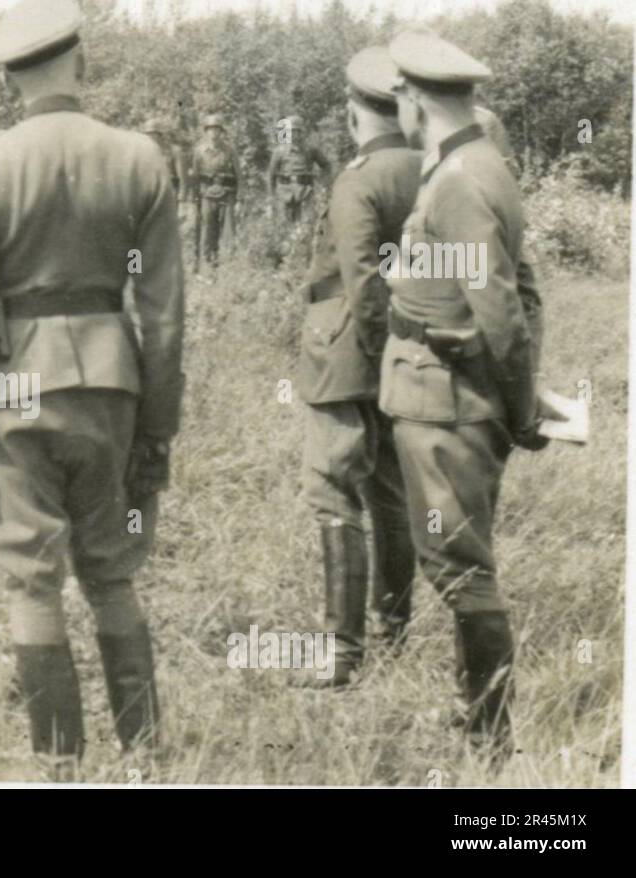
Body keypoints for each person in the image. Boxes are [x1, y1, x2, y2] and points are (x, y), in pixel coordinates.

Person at [0, 0, 184, 780]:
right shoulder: (140, 156)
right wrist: (157, 430)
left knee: (31, 577)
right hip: (112, 386)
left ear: (12, 80)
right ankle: (145, 762)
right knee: (111, 572)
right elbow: (166, 317)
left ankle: (60, 769)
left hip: (16, 392)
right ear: (79, 62)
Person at [383, 29, 549, 759]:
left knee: (459, 567)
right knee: (456, 558)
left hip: (449, 403)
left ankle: (491, 741)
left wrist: (521, 408)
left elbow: (503, 311)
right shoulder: (474, 163)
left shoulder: (460, 179)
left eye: (402, 103)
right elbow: (522, 290)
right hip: (445, 396)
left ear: (417, 101)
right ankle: (477, 717)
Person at [293, 47, 422, 688]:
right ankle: (393, 631)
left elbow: (363, 279)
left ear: (352, 112)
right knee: (392, 496)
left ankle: (341, 654)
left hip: (349, 354)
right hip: (405, 352)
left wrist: (377, 350)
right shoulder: (428, 169)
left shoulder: (360, 178)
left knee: (333, 492)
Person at [191, 114, 240, 272]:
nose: (214, 133)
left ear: (221, 132)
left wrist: (240, 197)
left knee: (228, 230)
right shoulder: (199, 151)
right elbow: (195, 176)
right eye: (211, 129)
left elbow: (239, 174)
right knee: (207, 229)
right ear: (206, 132)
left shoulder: (230, 150)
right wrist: (194, 196)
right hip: (207, 194)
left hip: (227, 193)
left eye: (217, 129)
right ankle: (209, 262)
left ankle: (228, 263)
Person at [267, 115, 332, 223]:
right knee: (285, 226)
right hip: (285, 193)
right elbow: (271, 175)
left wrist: (323, 183)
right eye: (291, 131)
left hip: (305, 191)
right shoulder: (279, 151)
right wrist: (271, 197)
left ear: (302, 133)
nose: (294, 135)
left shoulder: (311, 150)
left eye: (297, 131)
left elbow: (326, 166)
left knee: (308, 223)